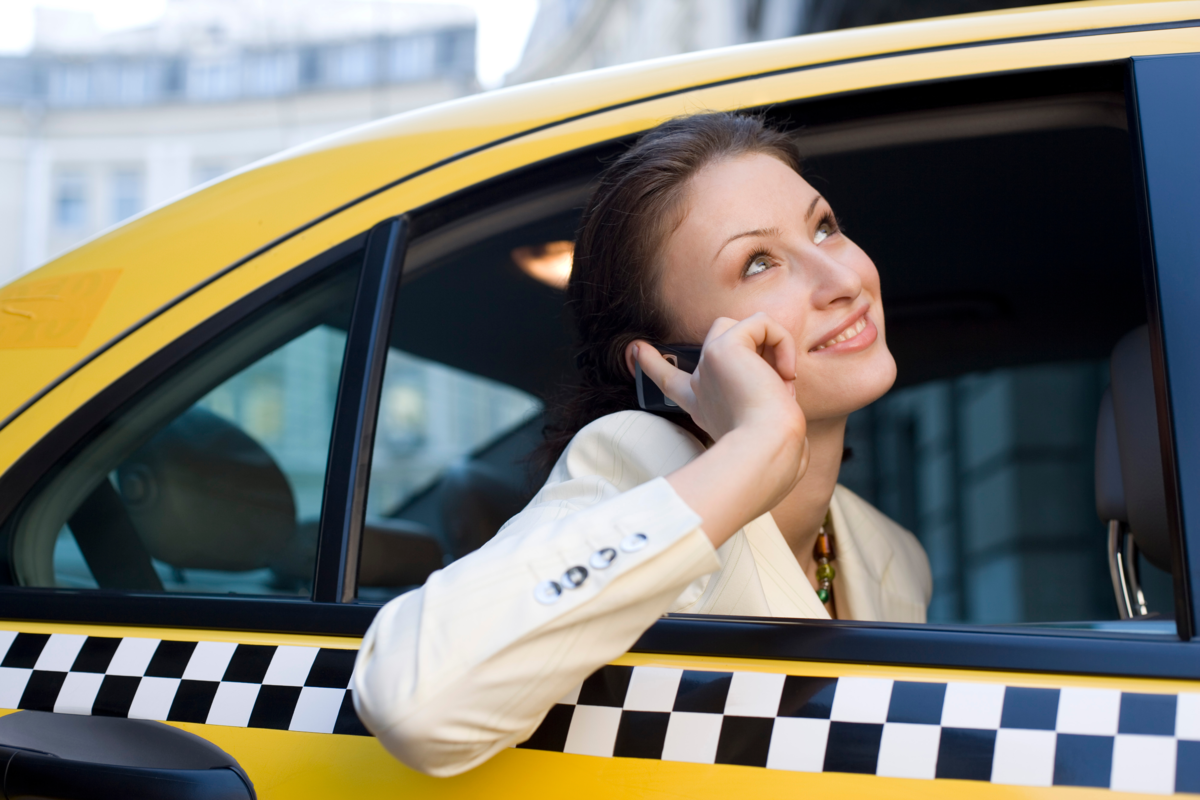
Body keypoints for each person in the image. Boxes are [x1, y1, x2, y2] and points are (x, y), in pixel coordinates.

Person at [352, 111, 931, 777]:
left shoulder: (891, 554)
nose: (844, 281)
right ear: (670, 363)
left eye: (824, 226)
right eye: (759, 263)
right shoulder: (635, 466)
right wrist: (755, 448)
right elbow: (413, 702)